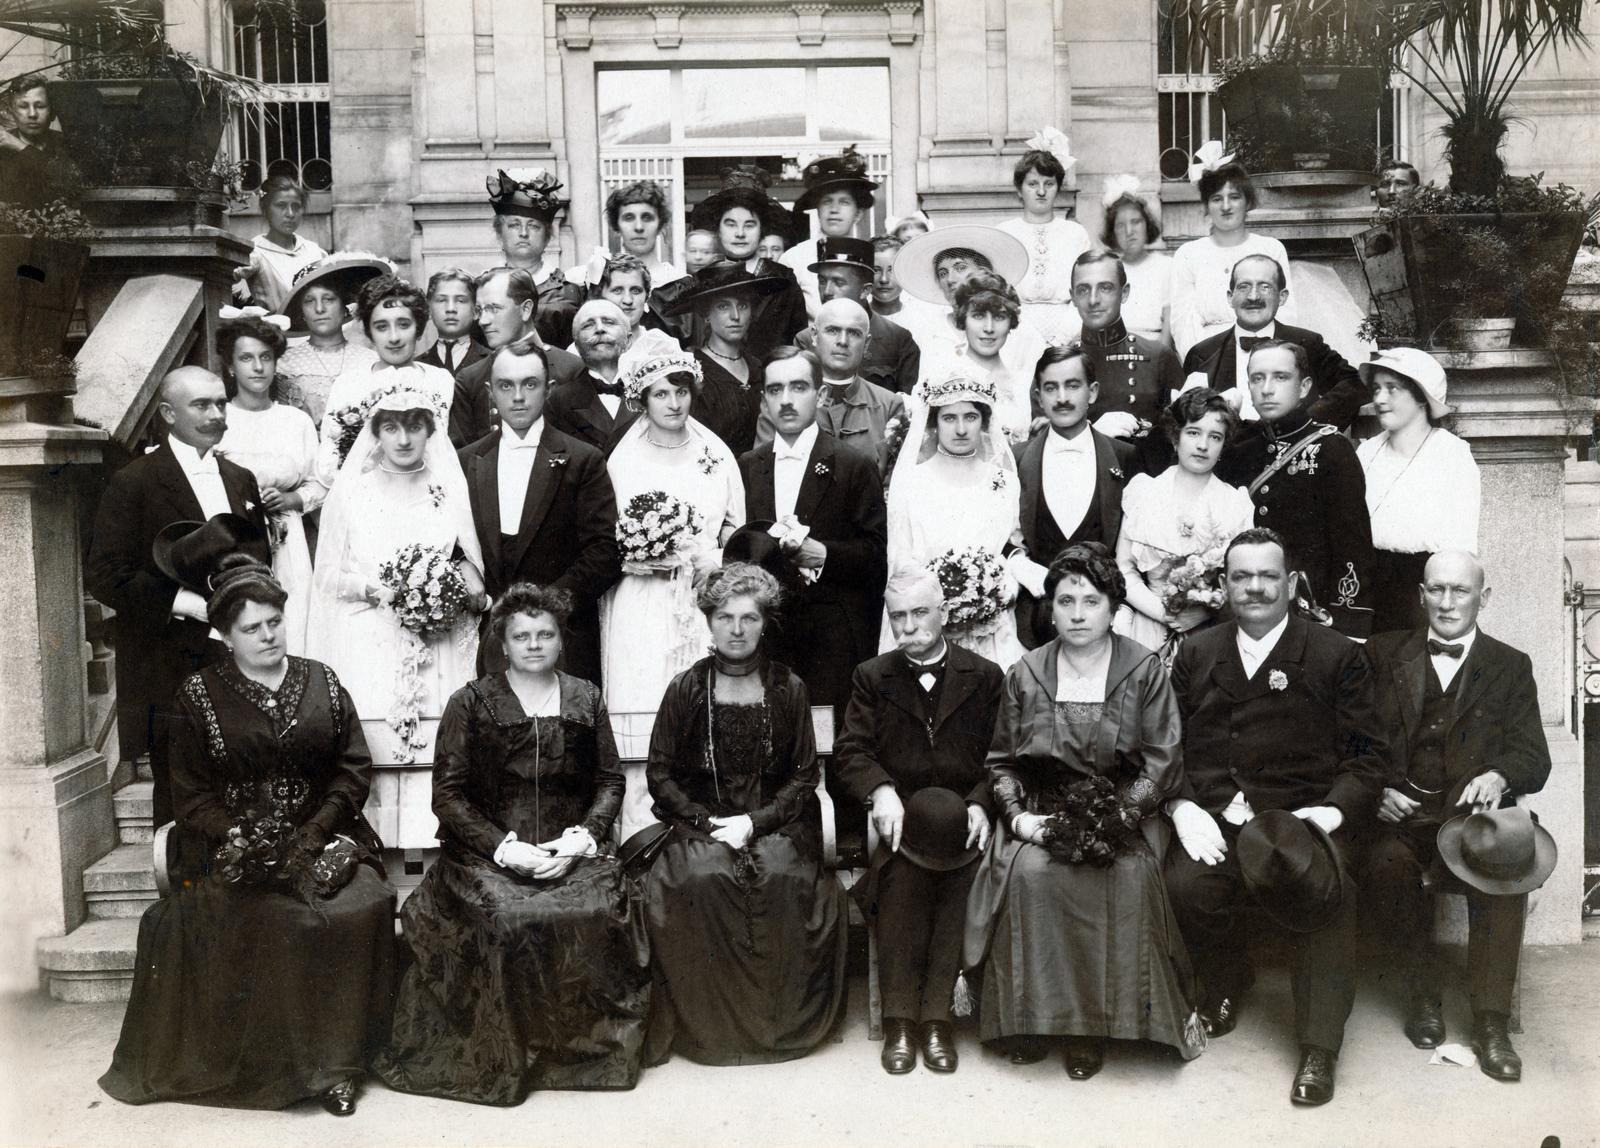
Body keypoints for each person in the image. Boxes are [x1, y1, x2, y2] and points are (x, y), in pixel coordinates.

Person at [99, 558, 395, 1115]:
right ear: (225, 635)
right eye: (252, 628)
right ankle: (294, 1068)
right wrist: (245, 836)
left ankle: (341, 1063)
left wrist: (314, 831)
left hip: (326, 837)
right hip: (238, 852)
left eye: (275, 622)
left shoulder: (323, 681)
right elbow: (191, 798)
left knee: (365, 904)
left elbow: (352, 769)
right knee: (277, 919)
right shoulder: (197, 696)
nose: (268, 636)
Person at [375, 584, 649, 1104]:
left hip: (570, 851)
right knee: (505, 914)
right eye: (521, 635)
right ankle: (509, 1054)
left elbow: (610, 781)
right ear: (502, 642)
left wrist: (583, 836)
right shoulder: (472, 702)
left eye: (545, 634)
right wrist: (505, 847)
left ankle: (576, 1056)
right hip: (484, 856)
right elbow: (448, 796)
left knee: (599, 905)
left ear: (560, 641)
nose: (533, 644)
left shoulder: (586, 697)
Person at [1163, 528, 1389, 1107]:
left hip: (1305, 819)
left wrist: (1332, 814)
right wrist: (1185, 804)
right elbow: (1168, 746)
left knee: (1323, 891)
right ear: (1223, 585)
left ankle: (1319, 1047)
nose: (1255, 588)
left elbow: (1368, 756)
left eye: (1268, 576)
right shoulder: (1196, 652)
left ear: (1291, 584)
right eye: (1241, 577)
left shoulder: (1336, 654)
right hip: (1226, 817)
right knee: (1187, 886)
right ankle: (1226, 978)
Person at [964, 543, 1203, 1078]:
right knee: (1029, 876)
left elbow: (1163, 762)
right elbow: (1002, 762)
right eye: (1065, 600)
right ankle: (1029, 1018)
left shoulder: (1143, 669)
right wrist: (1022, 820)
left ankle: (1090, 1028)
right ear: (1049, 607)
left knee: (1123, 878)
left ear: (1113, 608)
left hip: (1126, 814)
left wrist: (1116, 818)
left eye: (1090, 601)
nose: (1076, 613)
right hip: (1043, 811)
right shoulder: (1026, 673)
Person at [640, 564, 847, 1066]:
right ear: (708, 623)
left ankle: (776, 1027)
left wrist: (756, 822)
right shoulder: (686, 688)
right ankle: (712, 1031)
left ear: (764, 622)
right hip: (701, 822)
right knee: (700, 876)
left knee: (780, 875)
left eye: (749, 618)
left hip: (776, 821)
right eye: (726, 617)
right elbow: (660, 775)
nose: (737, 629)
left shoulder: (788, 688)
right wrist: (707, 823)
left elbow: (803, 776)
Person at [1362, 550, 1552, 1083]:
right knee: (1385, 868)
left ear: (1482, 598)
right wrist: (1378, 789)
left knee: (1506, 871)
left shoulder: (1510, 665)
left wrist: (1500, 776)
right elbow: (1351, 740)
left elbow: (1535, 757)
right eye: (1437, 590)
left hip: (1471, 824)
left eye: (1460, 591)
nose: (1447, 603)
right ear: (1421, 594)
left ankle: (1490, 1024)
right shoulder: (1381, 654)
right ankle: (1423, 995)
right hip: (1401, 819)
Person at [86, 367, 271, 830]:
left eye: (221, 403)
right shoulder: (135, 481)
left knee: (246, 780)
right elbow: (105, 575)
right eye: (201, 405)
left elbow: (259, 558)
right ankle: (186, 898)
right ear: (168, 413)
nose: (215, 414)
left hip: (237, 658)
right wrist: (182, 602)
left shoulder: (240, 479)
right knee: (181, 796)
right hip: (166, 661)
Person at [834, 565, 1002, 1075]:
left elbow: (1003, 755)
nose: (908, 627)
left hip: (965, 827)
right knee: (903, 880)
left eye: (920, 614)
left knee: (959, 879)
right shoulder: (872, 675)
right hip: (901, 825)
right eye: (898, 617)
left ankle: (937, 1023)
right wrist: (880, 790)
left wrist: (980, 800)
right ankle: (903, 1024)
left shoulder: (986, 676)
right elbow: (850, 752)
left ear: (944, 613)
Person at [306, 387, 486, 765]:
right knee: (374, 741)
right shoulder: (354, 492)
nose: (404, 439)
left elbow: (465, 557)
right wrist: (374, 590)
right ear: (376, 432)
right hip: (369, 636)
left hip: (436, 637)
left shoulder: (447, 488)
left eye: (415, 427)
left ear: (430, 430)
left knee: (438, 741)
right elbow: (325, 575)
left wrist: (454, 584)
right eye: (391, 428)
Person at [458, 336, 620, 685]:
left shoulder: (583, 459)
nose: (518, 397)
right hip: (493, 641)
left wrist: (545, 609)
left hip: (564, 638)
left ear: (548, 389)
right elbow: (452, 540)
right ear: (490, 391)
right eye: (506, 385)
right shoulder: (466, 461)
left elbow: (604, 552)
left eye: (529, 384)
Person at [738, 347, 888, 714]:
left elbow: (877, 556)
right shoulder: (747, 466)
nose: (786, 401)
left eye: (799, 387)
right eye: (775, 390)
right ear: (764, 400)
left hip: (832, 640)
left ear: (820, 395)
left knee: (826, 745)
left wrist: (824, 556)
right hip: (766, 638)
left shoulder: (854, 464)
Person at [600, 352, 744, 717]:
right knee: (641, 685)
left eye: (681, 391)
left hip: (701, 592)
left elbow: (736, 528)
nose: (674, 403)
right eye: (661, 394)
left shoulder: (716, 454)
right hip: (641, 594)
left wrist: (714, 559)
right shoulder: (623, 460)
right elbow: (606, 533)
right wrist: (634, 556)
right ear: (643, 400)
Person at [1227, 340, 1376, 639]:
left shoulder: (1332, 449)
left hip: (1309, 620)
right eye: (1257, 378)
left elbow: (1352, 545)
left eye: (1280, 377)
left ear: (1305, 386)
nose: (1267, 388)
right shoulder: (1238, 447)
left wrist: (1348, 627)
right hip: (1242, 617)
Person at [885, 369, 1025, 669]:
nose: (961, 428)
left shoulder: (1003, 480)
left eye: (970, 417)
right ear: (934, 421)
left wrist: (997, 590)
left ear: (984, 420)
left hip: (992, 626)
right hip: (927, 626)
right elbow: (899, 558)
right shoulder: (912, 481)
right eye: (949, 418)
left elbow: (1013, 549)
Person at [1011, 345, 1138, 649]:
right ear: (1038, 397)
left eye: (1072, 386)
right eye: (1051, 388)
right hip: (1034, 622)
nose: (1063, 398)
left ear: (1092, 392)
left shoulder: (1125, 457)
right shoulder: (1016, 460)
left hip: (1107, 618)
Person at [1114, 387, 1255, 658]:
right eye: (1193, 433)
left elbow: (1243, 577)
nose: (1203, 445)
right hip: (1147, 627)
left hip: (1213, 631)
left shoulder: (1235, 503)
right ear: (1175, 436)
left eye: (1215, 437)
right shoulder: (1143, 492)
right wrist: (1162, 612)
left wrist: (1204, 610)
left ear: (1224, 445)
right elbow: (1124, 568)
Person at [214, 311, 322, 655]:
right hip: (234, 540)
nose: (258, 367)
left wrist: (293, 499)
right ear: (230, 367)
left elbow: (320, 482)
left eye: (266, 358)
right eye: (246, 358)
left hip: (288, 543)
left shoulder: (296, 421)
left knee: (292, 621)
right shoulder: (219, 419)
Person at [1354, 348, 1480, 634]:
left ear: (1422, 396)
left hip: (1423, 593)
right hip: (1369, 589)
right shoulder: (1367, 451)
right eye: (1376, 389)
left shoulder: (1452, 455)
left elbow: (1460, 547)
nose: (1379, 399)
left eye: (1392, 389)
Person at [1181, 253, 1365, 430]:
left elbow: (1355, 384)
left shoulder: (1308, 343)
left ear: (1282, 297)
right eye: (1244, 286)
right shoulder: (1202, 354)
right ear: (1230, 298)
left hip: (1291, 454)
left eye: (1265, 286)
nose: (1254, 296)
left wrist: (1306, 424)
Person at [316, 274, 455, 487]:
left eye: (403, 324)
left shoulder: (440, 380)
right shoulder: (349, 385)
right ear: (369, 332)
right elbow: (329, 465)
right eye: (381, 327)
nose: (394, 337)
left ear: (418, 328)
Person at [1169, 151, 1296, 359]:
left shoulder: (1271, 249)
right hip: (1208, 357)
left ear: (1247, 202)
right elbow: (1182, 323)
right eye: (1217, 199)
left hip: (1266, 355)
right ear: (1207, 206)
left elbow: (1286, 313)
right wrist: (1204, 366)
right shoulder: (1188, 254)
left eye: (1234, 197)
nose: (1226, 207)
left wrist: (1271, 360)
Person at [756, 298, 906, 473]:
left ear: (866, 344)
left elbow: (894, 482)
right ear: (814, 335)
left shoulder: (889, 405)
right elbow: (762, 474)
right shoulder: (781, 401)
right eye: (833, 330)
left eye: (854, 333)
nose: (842, 341)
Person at [447, 267, 587, 449]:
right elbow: (465, 459)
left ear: (526, 309)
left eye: (494, 308)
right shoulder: (470, 379)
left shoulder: (570, 369)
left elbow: (583, 452)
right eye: (480, 310)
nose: (483, 321)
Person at [662, 260, 788, 457]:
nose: (735, 316)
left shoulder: (759, 367)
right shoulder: (690, 370)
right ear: (706, 314)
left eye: (743, 305)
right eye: (723, 306)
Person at [1073, 251, 1185, 465]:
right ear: (1072, 296)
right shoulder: (1058, 364)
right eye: (1083, 289)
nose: (1093, 300)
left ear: (1124, 293)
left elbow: (1184, 435)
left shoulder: (1159, 357)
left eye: (1105, 288)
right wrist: (1090, 434)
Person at [688, 165, 807, 359]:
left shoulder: (783, 280)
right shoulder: (703, 280)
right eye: (731, 224)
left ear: (763, 229)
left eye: (749, 225)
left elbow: (796, 341)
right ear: (718, 228)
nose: (740, 233)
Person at [921, 272, 1044, 445]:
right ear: (963, 319)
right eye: (978, 316)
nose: (989, 328)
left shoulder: (1022, 380)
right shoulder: (946, 376)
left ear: (1011, 322)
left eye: (999, 317)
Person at [996, 131, 1092, 343]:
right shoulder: (1005, 232)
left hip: (1068, 332)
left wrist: (1062, 339)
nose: (1041, 191)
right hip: (1015, 333)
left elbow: (1085, 291)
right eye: (1032, 184)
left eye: (1048, 184)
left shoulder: (1075, 234)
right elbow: (998, 294)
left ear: (1057, 188)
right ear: (1019, 190)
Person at [794, 236, 921, 394]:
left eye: (839, 283)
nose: (827, 291)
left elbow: (906, 405)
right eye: (822, 281)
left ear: (865, 290)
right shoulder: (805, 340)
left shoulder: (898, 340)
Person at [278, 254, 387, 426]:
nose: (319, 309)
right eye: (309, 301)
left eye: (328, 299)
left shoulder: (371, 360)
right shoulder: (285, 364)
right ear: (302, 313)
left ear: (345, 308)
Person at [891, 225, 1030, 356]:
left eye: (960, 267)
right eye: (943, 273)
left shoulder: (1015, 328)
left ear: (984, 271)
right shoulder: (928, 329)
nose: (950, 279)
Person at [484, 168, 585, 348]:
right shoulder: (481, 287)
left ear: (547, 236)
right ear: (500, 234)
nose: (523, 233)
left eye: (533, 226)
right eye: (514, 225)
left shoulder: (570, 291)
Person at [779, 145, 879, 318]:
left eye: (844, 202)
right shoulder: (794, 259)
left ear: (858, 213)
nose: (834, 209)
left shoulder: (872, 257)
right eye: (827, 201)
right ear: (817, 209)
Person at [546, 299, 638, 452]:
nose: (600, 329)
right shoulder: (557, 403)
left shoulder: (653, 390)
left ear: (628, 340)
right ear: (577, 346)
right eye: (588, 325)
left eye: (609, 322)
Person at [566, 179, 687, 295]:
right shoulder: (586, 278)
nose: (639, 227)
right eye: (629, 218)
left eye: (647, 217)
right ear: (616, 226)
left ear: (660, 225)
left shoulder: (678, 284)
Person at [232, 175, 329, 314]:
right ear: (266, 209)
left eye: (296, 206)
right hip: (278, 333)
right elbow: (223, 276)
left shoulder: (314, 251)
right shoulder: (256, 252)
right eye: (281, 205)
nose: (290, 214)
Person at [586, 253, 683, 377]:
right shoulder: (583, 350)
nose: (628, 300)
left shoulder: (663, 347)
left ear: (646, 297)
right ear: (600, 297)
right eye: (617, 290)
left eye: (636, 290)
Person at [1101, 177, 1172, 346]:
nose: (1129, 231)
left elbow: (1168, 329)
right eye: (1120, 225)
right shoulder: (1108, 268)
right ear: (1113, 232)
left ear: (1147, 224)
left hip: (1154, 349)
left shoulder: (1166, 266)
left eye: (1136, 222)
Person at [0, 78, 79, 207]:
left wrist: (21, 147)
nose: (32, 114)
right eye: (23, 106)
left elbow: (69, 184)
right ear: (11, 111)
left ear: (53, 112)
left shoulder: (66, 143)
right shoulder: (2, 149)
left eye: (40, 106)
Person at [868, 235, 948, 349]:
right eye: (876, 270)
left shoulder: (921, 322)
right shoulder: (857, 316)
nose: (884, 279)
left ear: (904, 272)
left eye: (892, 270)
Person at [416, 268, 486, 374]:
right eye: (441, 300)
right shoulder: (416, 367)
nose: (450, 309)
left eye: (461, 300)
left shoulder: (492, 361)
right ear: (429, 310)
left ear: (476, 311)